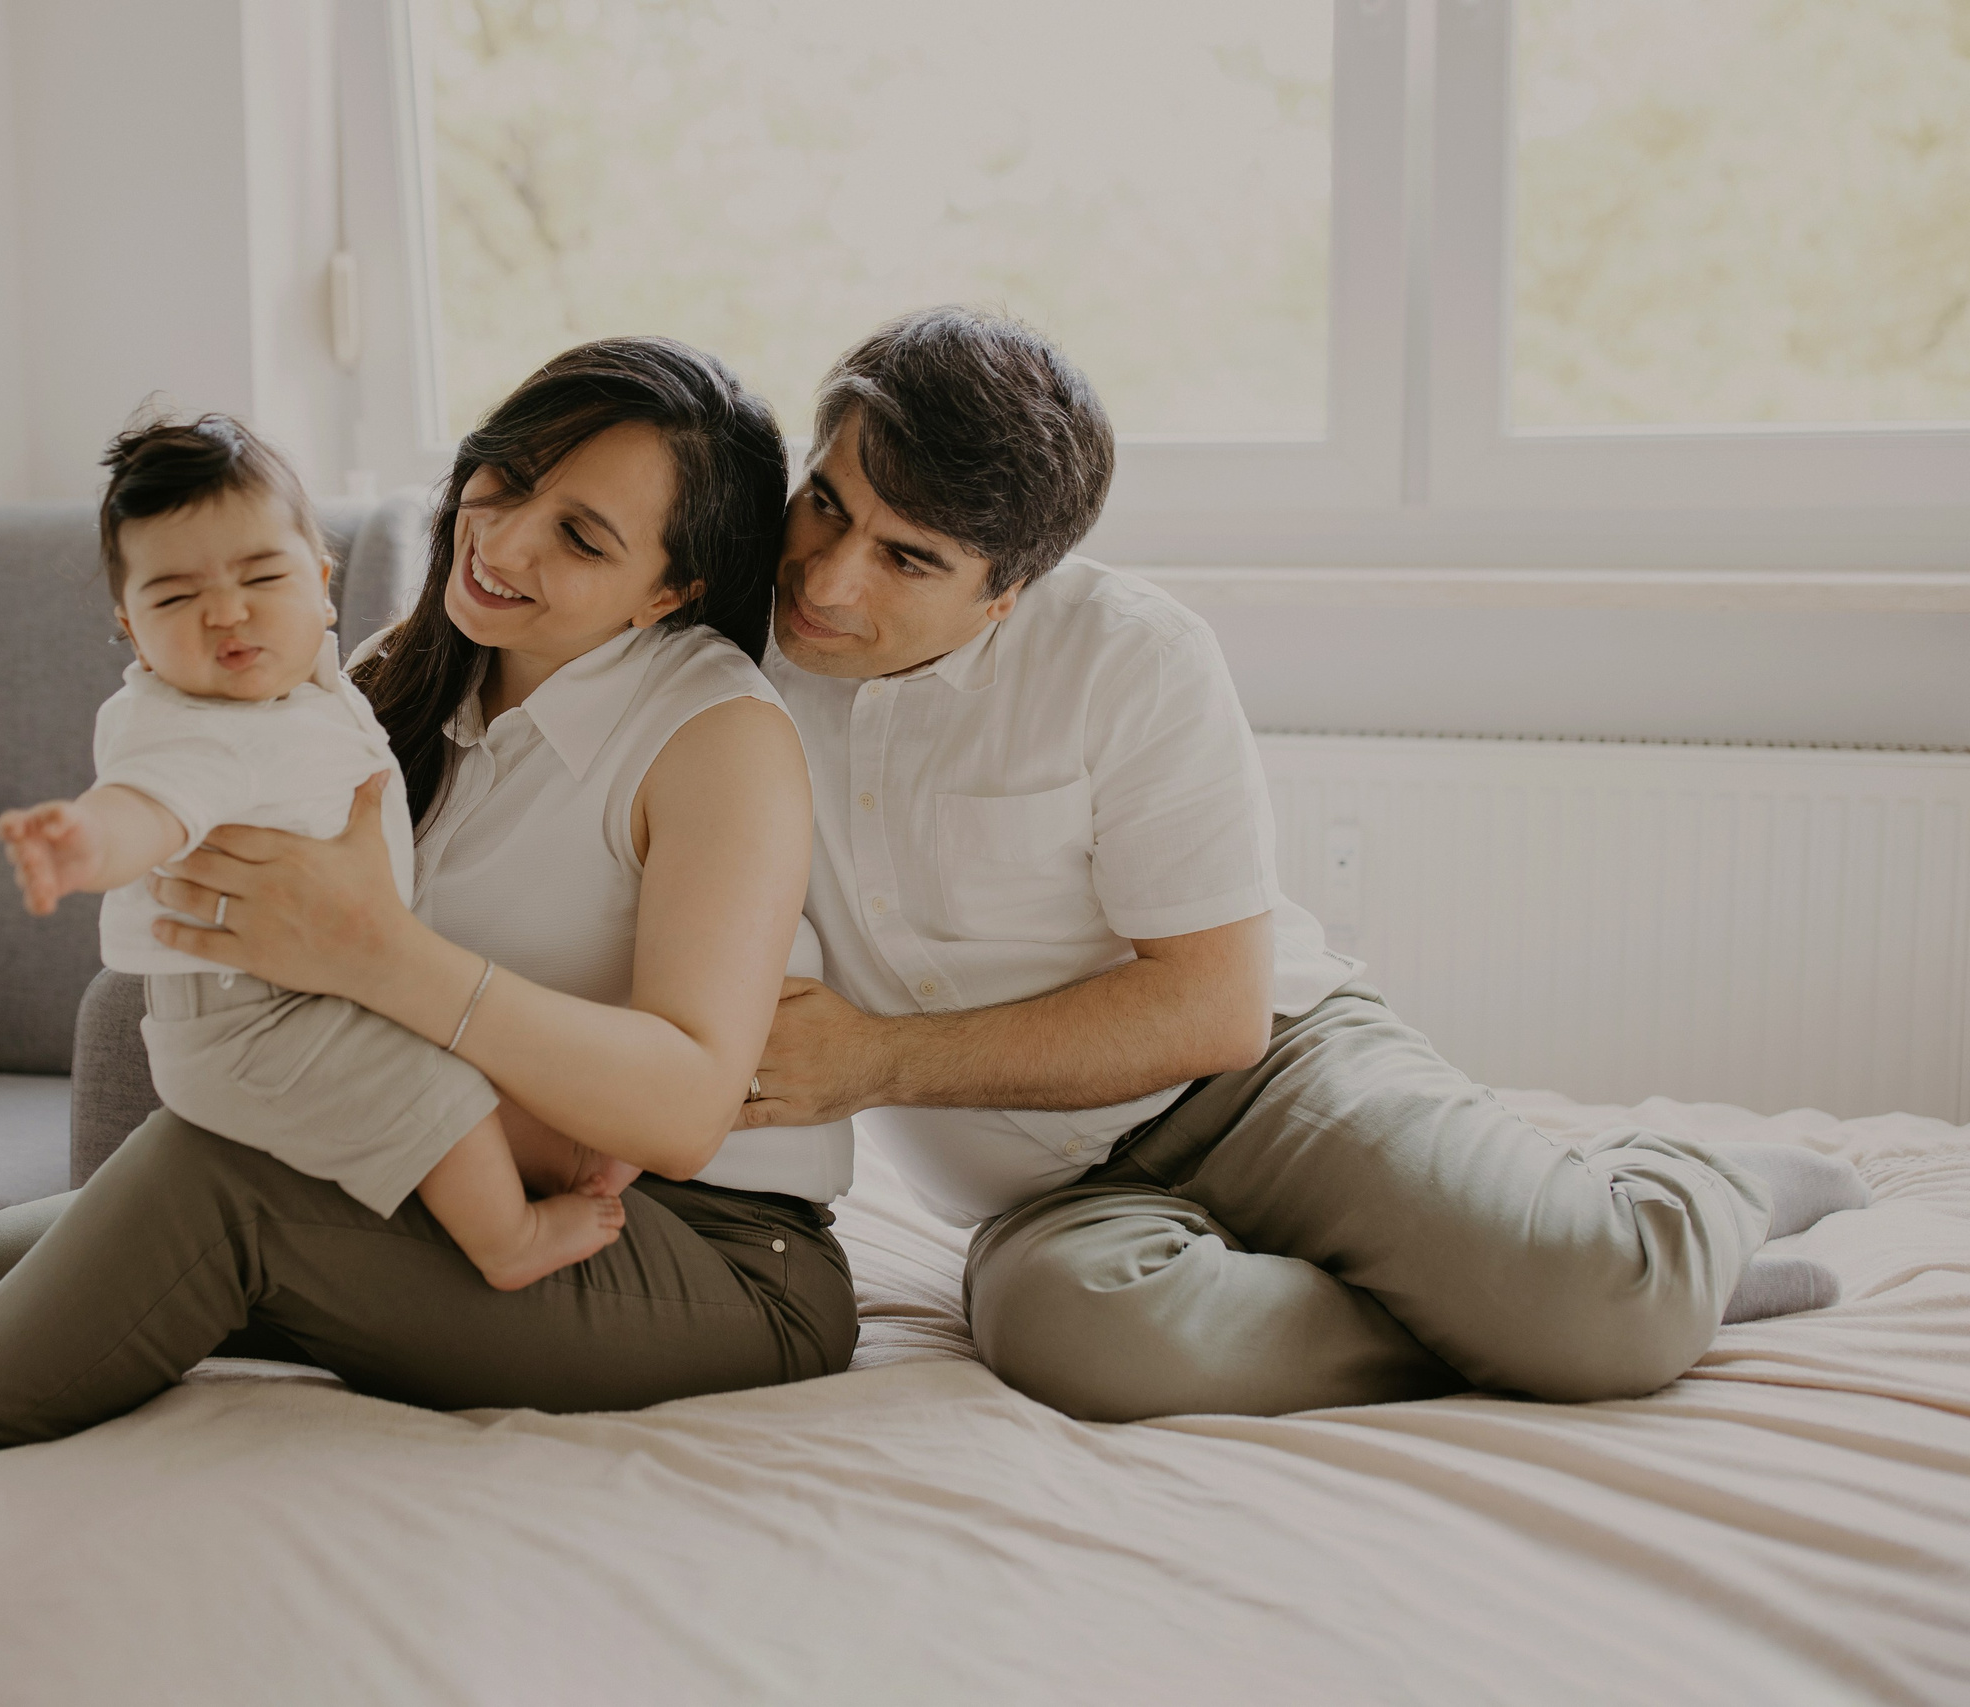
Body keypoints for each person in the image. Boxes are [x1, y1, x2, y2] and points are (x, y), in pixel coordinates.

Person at [0, 336, 857, 1599]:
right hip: (457, 1153)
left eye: (581, 534)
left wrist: (383, 956)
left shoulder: (715, 738)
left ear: (672, 586)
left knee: (212, 1182)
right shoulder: (403, 673)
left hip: (708, 1251)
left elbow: (687, 1107)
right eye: (503, 480)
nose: (499, 540)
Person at [740, 305, 1869, 1424]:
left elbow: (1211, 1011)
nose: (826, 581)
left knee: (1602, 1316)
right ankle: (1519, 1303)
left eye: (906, 559)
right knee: (1070, 1338)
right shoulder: (727, 657)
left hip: (1269, 1081)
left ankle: (1671, 1207)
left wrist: (875, 1060)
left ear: (1008, 588)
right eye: (825, 501)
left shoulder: (1130, 658)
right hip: (1052, 1198)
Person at [0, 412, 632, 1290]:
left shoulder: (316, 686)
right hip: (254, 1028)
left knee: (453, 1054)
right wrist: (86, 844)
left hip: (307, 992)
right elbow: (145, 805)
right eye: (174, 598)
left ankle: (568, 1154)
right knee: (429, 1092)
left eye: (262, 576)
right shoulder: (191, 727)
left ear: (322, 586)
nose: (226, 611)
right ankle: (507, 1238)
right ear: (133, 630)